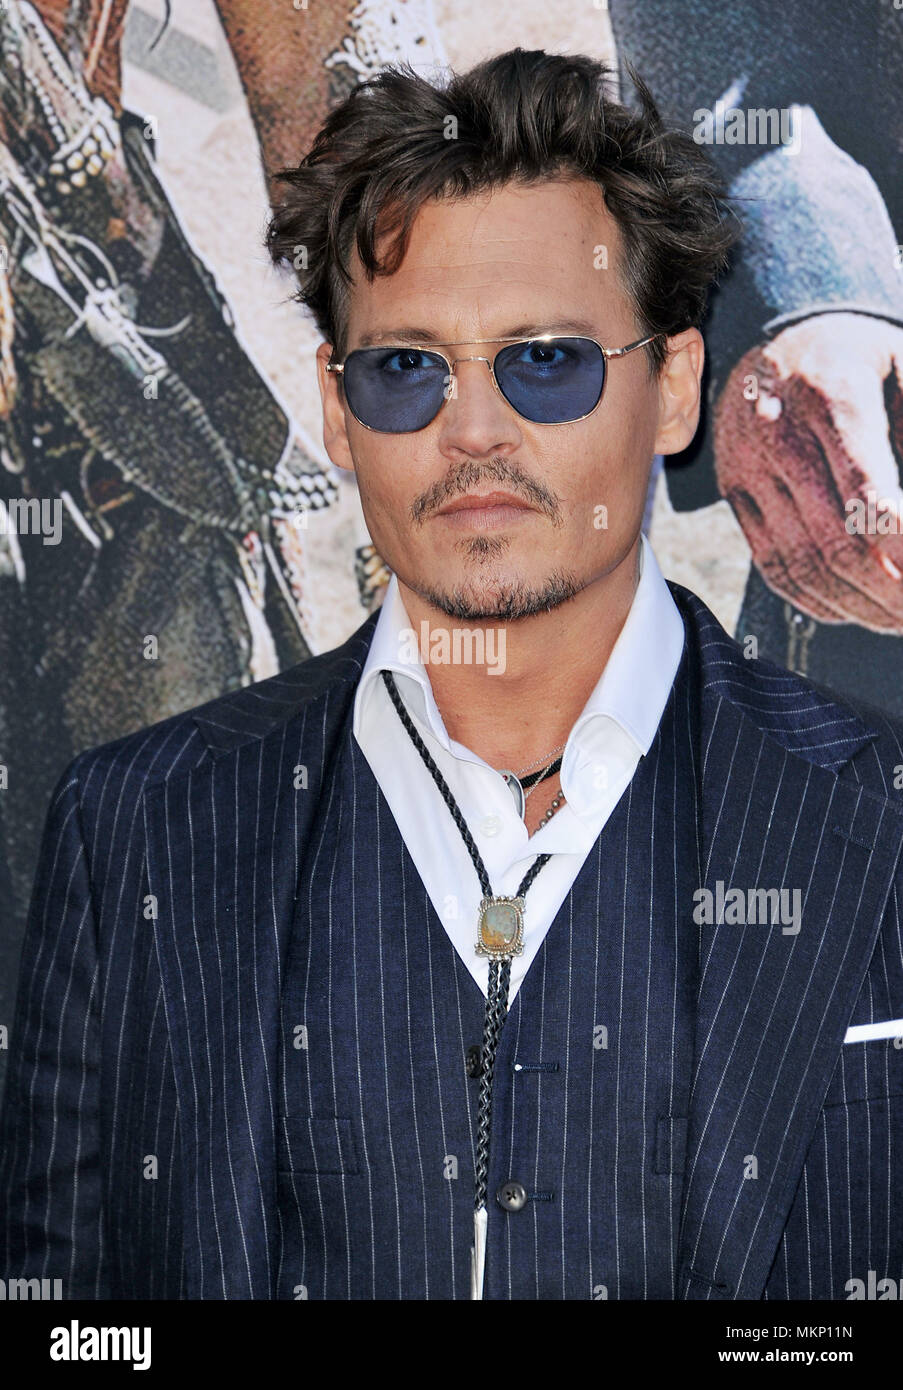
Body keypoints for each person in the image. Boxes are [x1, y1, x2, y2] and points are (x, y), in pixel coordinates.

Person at [2, 48, 902, 1302]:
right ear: (335, 409)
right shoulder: (134, 832)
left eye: (548, 361)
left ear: (676, 388)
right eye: (405, 370)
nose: (472, 432)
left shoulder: (873, 820)